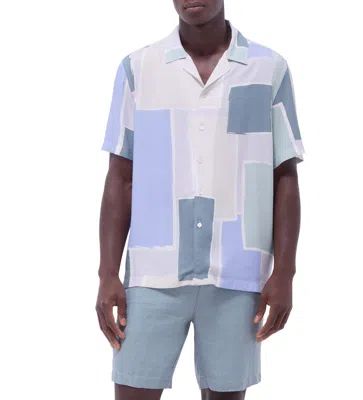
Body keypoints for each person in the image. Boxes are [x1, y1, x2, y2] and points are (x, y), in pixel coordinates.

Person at [96, 0, 305, 399]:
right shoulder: (139, 69)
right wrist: (108, 273)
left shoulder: (268, 68)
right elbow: (121, 178)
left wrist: (285, 273)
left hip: (238, 274)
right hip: (153, 274)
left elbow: (284, 177)